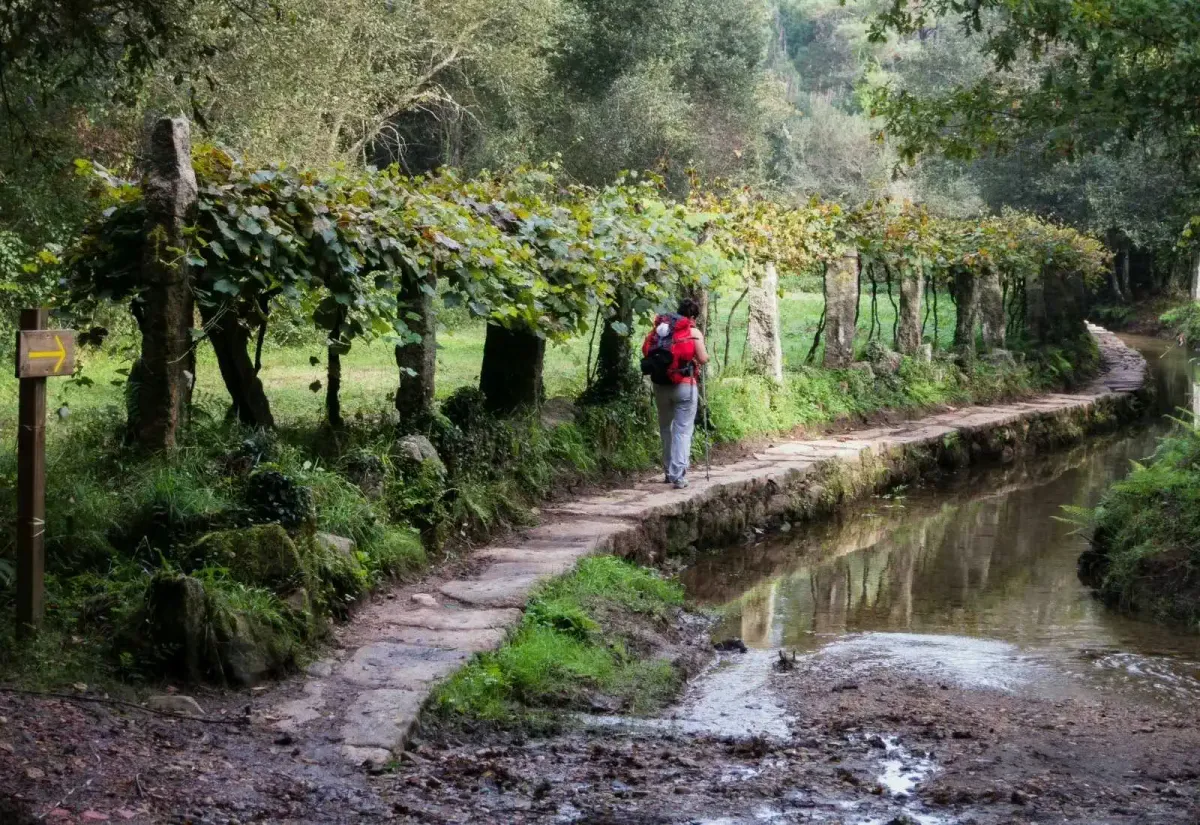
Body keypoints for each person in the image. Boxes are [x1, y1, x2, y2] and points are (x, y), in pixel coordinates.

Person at [641, 298, 709, 489]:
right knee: (683, 430)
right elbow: (703, 358)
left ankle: (667, 472)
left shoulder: (661, 331)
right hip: (685, 386)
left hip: (660, 385)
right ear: (693, 317)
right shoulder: (693, 332)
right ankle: (677, 474)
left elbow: (647, 351)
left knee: (665, 428)